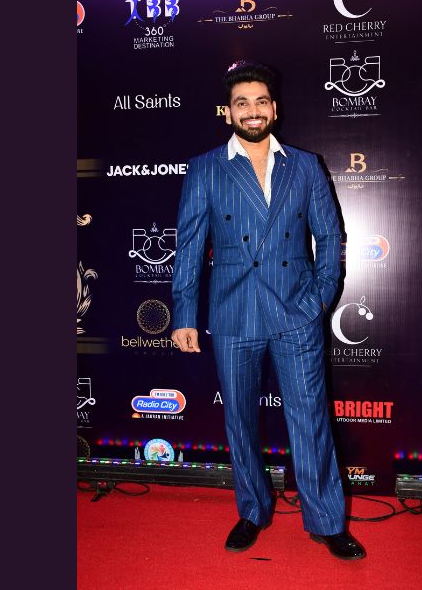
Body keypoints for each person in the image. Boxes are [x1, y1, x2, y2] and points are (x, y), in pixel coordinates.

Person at [171, 61, 365, 561]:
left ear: (274, 108)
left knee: (311, 418)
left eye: (260, 101)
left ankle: (327, 521)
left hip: (296, 311)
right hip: (233, 312)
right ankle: (252, 511)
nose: (252, 111)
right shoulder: (205, 168)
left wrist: (320, 298)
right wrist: (184, 313)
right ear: (227, 112)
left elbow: (330, 236)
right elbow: (189, 246)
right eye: (242, 103)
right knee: (239, 419)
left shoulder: (306, 165)